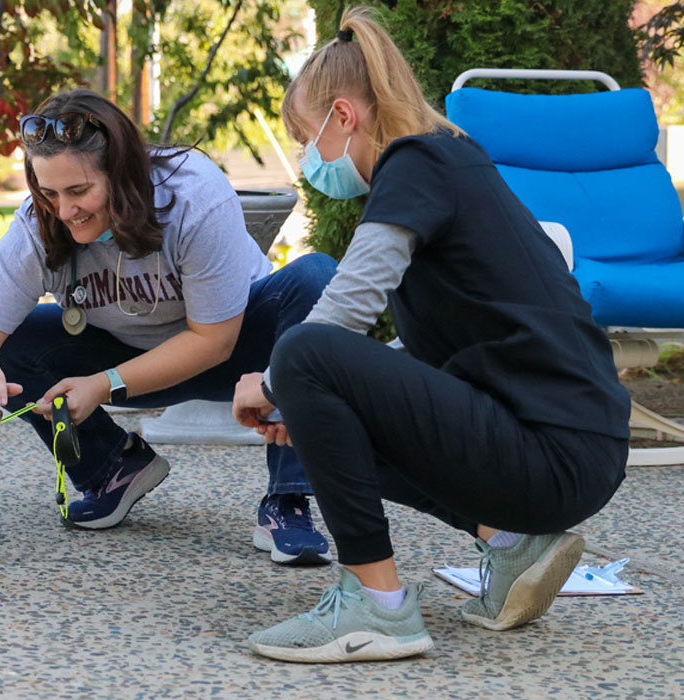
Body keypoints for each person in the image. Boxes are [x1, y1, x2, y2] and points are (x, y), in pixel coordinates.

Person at [231, 8, 631, 662]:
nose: (309, 160)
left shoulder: (417, 162)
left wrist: (275, 380)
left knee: (301, 348)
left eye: (306, 138)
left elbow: (348, 305)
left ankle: (376, 608)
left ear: (343, 116)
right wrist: (304, 409)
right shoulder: (448, 166)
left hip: (552, 448)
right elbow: (417, 367)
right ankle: (513, 544)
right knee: (324, 393)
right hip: (569, 450)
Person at [0, 88, 338, 565]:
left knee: (315, 279)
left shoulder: (192, 193)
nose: (64, 211)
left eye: (79, 191)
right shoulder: (38, 226)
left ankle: (287, 501)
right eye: (49, 193)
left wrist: (103, 385)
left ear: (121, 174)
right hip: (126, 359)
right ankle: (112, 468)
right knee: (8, 344)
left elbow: (214, 341)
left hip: (241, 355)